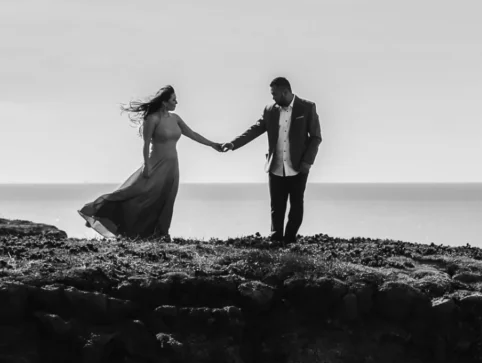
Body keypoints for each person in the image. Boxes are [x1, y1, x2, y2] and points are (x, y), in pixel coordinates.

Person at [79, 85, 222, 240]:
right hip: (155, 165)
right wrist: (147, 166)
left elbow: (193, 134)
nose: (177, 102)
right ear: (164, 102)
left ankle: (161, 233)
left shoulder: (176, 119)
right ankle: (98, 211)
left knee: (167, 198)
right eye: (174, 99)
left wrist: (213, 144)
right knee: (135, 193)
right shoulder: (152, 119)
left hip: (172, 166)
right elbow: (146, 143)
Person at [219, 77, 322, 244]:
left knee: (296, 205)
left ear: (285, 92)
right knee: (276, 206)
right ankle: (275, 239)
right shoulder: (269, 110)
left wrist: (307, 162)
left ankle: (289, 240)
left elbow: (316, 137)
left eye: (274, 94)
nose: (272, 97)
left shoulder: (307, 107)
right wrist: (233, 144)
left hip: (298, 166)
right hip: (275, 165)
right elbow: (255, 129)